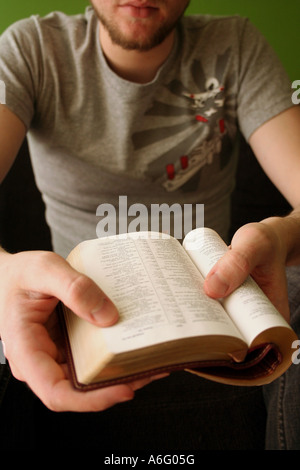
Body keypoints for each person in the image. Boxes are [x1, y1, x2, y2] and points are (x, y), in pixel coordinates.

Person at [0, 0, 299, 450]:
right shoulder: (32, 47)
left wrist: (282, 236)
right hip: (81, 307)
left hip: (215, 300)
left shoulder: (236, 43)